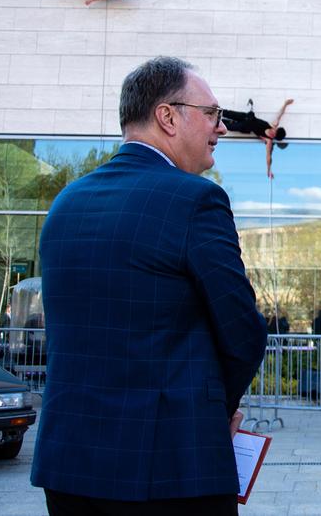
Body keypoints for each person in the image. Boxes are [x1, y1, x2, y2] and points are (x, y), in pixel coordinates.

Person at [31, 56, 268, 516]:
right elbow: (244, 333)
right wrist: (216, 414)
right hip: (168, 468)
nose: (220, 129)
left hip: (68, 465)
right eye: (213, 114)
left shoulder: (65, 203)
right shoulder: (196, 199)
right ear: (168, 116)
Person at [222, 98, 293, 178]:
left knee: (227, 126)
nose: (275, 128)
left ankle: (219, 122)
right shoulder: (273, 125)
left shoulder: (268, 140)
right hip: (248, 118)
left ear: (275, 134)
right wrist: (286, 104)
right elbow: (280, 114)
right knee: (228, 113)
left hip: (245, 127)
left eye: (275, 130)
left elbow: (268, 156)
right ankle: (214, 111)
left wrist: (269, 170)